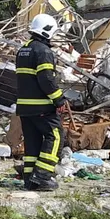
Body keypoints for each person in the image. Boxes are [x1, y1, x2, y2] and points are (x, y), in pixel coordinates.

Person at [15, 13, 67, 192]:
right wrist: (59, 99)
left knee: (33, 142)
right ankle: (43, 177)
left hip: (25, 107)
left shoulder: (23, 50)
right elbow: (46, 79)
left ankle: (30, 180)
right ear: (47, 31)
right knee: (56, 136)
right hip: (41, 106)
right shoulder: (43, 51)